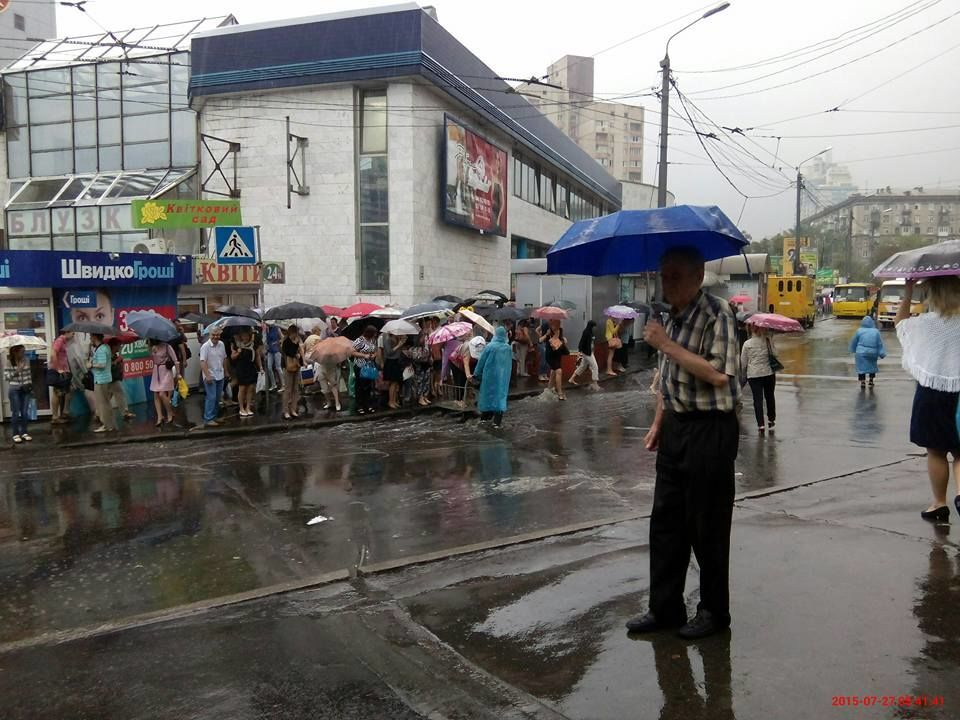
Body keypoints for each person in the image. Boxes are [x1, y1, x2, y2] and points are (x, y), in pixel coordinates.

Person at [627, 246, 741, 640]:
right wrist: (660, 421)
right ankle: (665, 608)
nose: (667, 283)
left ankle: (714, 611)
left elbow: (720, 375)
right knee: (666, 523)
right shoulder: (670, 319)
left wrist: (666, 345)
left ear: (698, 276)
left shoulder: (717, 313)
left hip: (711, 429)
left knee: (706, 525)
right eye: (664, 276)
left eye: (675, 276)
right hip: (677, 427)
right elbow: (667, 379)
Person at [895, 277, 960, 523]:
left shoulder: (925, 324)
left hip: (932, 392)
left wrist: (909, 289)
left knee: (936, 451)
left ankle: (939, 503)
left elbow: (900, 324)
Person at [740, 324, 777, 434]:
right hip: (769, 373)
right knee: (769, 396)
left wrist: (744, 372)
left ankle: (760, 425)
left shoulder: (747, 344)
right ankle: (771, 419)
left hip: (754, 375)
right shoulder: (768, 340)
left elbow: (743, 363)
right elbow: (775, 354)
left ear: (751, 329)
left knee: (757, 399)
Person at [474, 326, 513, 426]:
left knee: (488, 396)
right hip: (503, 378)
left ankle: (484, 420)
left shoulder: (490, 346)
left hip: (489, 377)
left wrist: (476, 374)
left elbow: (481, 362)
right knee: (500, 397)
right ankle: (497, 423)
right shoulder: (508, 348)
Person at [4, 344, 34, 443]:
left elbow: (29, 375)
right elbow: (6, 377)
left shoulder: (26, 360)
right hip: (14, 390)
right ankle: (15, 434)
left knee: (25, 412)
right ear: (15, 352)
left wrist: (30, 387)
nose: (23, 353)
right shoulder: (9, 363)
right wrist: (17, 371)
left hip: (25, 389)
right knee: (16, 412)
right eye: (21, 351)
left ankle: (24, 432)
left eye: (24, 351)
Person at [89, 333, 118, 433]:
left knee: (103, 404)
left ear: (95, 337)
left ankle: (106, 425)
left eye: (91, 337)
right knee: (106, 403)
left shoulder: (101, 349)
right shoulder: (105, 347)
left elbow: (102, 364)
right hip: (104, 379)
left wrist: (91, 365)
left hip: (101, 380)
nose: (90, 339)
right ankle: (110, 424)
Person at [199, 328, 227, 427]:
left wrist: (226, 371)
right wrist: (207, 375)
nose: (215, 337)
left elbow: (224, 358)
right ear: (210, 335)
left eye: (217, 335)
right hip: (210, 375)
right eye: (213, 335)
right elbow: (202, 362)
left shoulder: (221, 344)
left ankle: (215, 416)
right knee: (211, 397)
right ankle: (208, 418)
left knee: (217, 397)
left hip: (220, 374)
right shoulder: (205, 347)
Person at [849, 316, 886, 389]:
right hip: (872, 352)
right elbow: (879, 344)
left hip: (861, 352)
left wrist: (852, 350)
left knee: (861, 367)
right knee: (872, 366)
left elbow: (854, 341)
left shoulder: (859, 331)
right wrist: (881, 353)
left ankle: (862, 381)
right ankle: (871, 381)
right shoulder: (876, 331)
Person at [149, 338, 179, 427]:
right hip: (156, 370)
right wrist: (150, 349)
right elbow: (152, 356)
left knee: (162, 394)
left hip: (165, 371)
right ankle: (160, 417)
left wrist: (178, 374)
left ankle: (170, 413)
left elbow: (175, 360)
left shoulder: (167, 346)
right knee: (155, 394)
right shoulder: (152, 347)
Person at [230, 329, 260, 417]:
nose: (245, 337)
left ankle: (248, 407)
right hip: (241, 368)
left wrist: (260, 367)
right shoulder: (237, 345)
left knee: (250, 388)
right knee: (242, 388)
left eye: (247, 335)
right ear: (241, 336)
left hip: (251, 368)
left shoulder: (253, 345)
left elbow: (257, 356)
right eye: (243, 336)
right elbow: (232, 357)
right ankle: (241, 408)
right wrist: (238, 352)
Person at [351, 325, 379, 415]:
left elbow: (375, 350)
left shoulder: (372, 340)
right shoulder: (360, 340)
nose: (375, 335)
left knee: (368, 386)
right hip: (360, 365)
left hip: (369, 365)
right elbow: (352, 352)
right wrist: (364, 355)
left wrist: (373, 355)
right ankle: (359, 405)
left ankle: (368, 404)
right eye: (374, 333)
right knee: (360, 386)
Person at [48, 330, 74, 424]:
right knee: (57, 392)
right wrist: (58, 368)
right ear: (66, 332)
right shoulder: (59, 340)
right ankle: (55, 416)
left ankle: (65, 412)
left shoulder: (63, 342)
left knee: (69, 389)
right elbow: (53, 353)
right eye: (72, 333)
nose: (73, 335)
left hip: (64, 370)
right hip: (59, 371)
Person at [106, 337, 134, 421]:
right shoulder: (108, 354)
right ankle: (125, 413)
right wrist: (117, 361)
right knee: (119, 393)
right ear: (114, 346)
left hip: (113, 378)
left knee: (108, 396)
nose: (119, 347)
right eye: (118, 345)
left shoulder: (114, 354)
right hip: (111, 379)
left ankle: (98, 413)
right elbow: (108, 366)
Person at [540, 319, 568, 400]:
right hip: (550, 355)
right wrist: (546, 335)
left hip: (557, 354)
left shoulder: (560, 330)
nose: (557, 324)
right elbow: (540, 340)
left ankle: (549, 390)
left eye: (559, 323)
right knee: (559, 371)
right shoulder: (549, 331)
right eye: (555, 323)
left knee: (553, 371)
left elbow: (561, 340)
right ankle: (560, 393)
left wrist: (563, 340)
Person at [281, 324, 304, 419]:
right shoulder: (286, 341)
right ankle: (286, 410)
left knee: (295, 389)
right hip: (288, 367)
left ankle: (293, 409)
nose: (297, 334)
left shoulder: (297, 341)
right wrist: (295, 345)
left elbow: (299, 352)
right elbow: (289, 352)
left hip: (296, 366)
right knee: (288, 389)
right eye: (296, 332)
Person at [405, 331, 433, 407]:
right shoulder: (414, 348)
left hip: (426, 366)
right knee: (419, 382)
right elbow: (416, 358)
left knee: (426, 382)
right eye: (423, 337)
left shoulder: (425, 347)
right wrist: (425, 355)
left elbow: (428, 355)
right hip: (418, 367)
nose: (424, 339)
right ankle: (420, 397)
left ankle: (424, 396)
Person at [570, 320, 600, 390]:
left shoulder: (591, 332)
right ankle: (595, 383)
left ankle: (571, 379)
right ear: (591, 326)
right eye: (594, 327)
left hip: (590, 352)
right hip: (587, 353)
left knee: (582, 366)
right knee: (595, 366)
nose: (595, 328)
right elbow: (581, 342)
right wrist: (579, 351)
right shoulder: (586, 332)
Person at [381, 332, 407, 410]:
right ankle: (391, 401)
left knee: (396, 382)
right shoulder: (387, 339)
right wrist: (398, 345)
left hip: (396, 361)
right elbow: (389, 352)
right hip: (390, 362)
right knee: (392, 382)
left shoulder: (397, 338)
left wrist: (401, 343)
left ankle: (394, 400)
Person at [264, 323, 284, 392]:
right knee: (269, 367)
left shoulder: (277, 328)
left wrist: (277, 342)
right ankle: (273, 384)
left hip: (277, 350)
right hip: (269, 350)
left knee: (278, 367)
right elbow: (265, 340)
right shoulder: (266, 330)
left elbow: (282, 338)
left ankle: (283, 385)